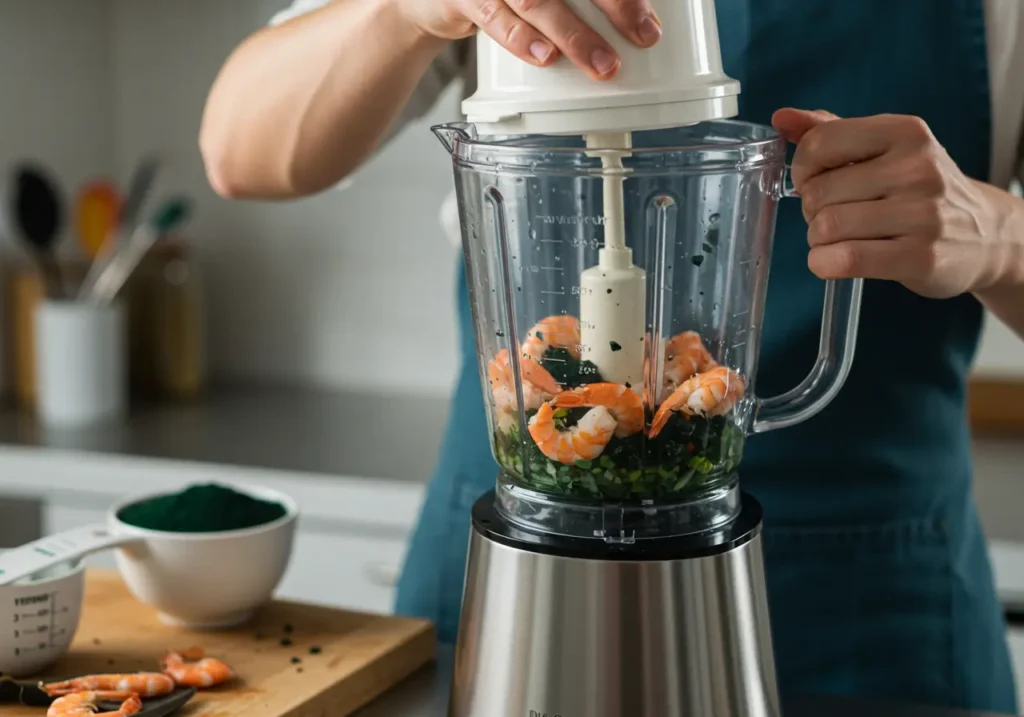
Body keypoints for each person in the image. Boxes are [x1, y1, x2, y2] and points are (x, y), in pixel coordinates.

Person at [200, 0, 1024, 712]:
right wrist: (403, 11)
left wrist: (1002, 237)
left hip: (873, 600)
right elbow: (239, 148)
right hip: (518, 553)